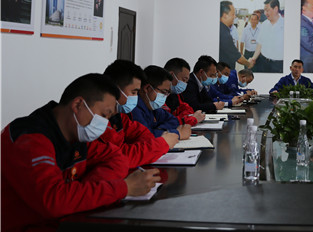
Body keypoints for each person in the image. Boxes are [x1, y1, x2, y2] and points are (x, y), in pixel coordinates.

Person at [1, 73, 161, 232]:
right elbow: (54, 201)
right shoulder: (31, 138)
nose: (105, 123)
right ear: (78, 105)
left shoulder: (76, 135)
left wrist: (83, 195)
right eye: (103, 115)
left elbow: (117, 158)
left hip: (66, 221)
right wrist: (123, 188)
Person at [102, 60, 178, 168]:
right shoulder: (98, 121)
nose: (136, 97)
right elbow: (118, 157)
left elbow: (141, 133)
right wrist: (161, 144)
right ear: (115, 89)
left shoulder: (119, 115)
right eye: (133, 92)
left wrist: (157, 141)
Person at [131, 65, 192, 139]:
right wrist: (177, 133)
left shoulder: (152, 107)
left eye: (167, 93)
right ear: (147, 88)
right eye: (163, 92)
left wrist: (160, 130)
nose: (165, 96)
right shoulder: (134, 108)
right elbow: (146, 137)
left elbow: (174, 120)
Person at [164, 58, 205, 127]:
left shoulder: (175, 93)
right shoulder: (158, 95)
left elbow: (187, 108)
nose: (184, 84)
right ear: (171, 75)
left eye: (186, 81)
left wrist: (183, 117)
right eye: (183, 80)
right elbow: (166, 122)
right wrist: (190, 119)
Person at [249, 0, 284, 73]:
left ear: (275, 9)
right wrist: (253, 58)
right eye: (264, 10)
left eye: (267, 10)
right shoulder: (264, 24)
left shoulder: (285, 25)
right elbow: (260, 43)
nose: (265, 13)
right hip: (263, 62)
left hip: (278, 66)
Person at [219, 0, 253, 69]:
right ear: (225, 15)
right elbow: (238, 58)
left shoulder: (221, 29)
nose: (235, 17)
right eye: (233, 14)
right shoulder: (224, 34)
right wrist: (249, 64)